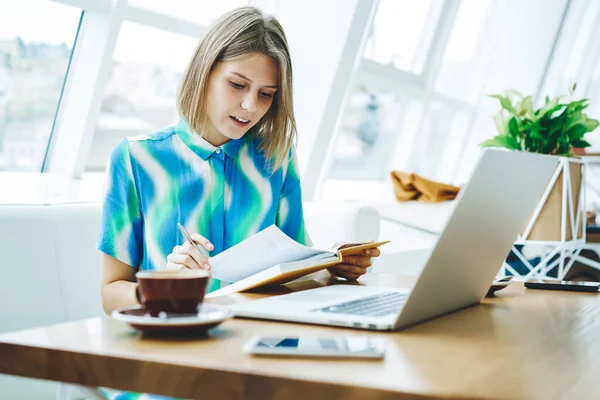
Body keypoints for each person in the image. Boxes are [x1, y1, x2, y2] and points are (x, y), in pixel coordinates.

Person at [97, 6, 380, 399]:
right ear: (205, 72)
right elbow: (111, 292)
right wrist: (163, 289)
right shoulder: (136, 159)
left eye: (266, 95)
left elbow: (299, 272)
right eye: (237, 85)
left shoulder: (276, 159)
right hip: (170, 365)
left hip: (261, 357)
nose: (251, 106)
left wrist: (335, 267)